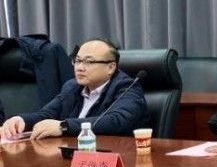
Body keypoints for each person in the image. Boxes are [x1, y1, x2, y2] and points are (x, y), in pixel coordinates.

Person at [0, 38, 148, 139]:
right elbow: (47, 114)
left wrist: (64, 127)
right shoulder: (72, 86)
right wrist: (22, 120)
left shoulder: (127, 88)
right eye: (77, 60)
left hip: (114, 158)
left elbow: (115, 121)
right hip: (74, 154)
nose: (80, 67)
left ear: (110, 67)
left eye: (89, 62)